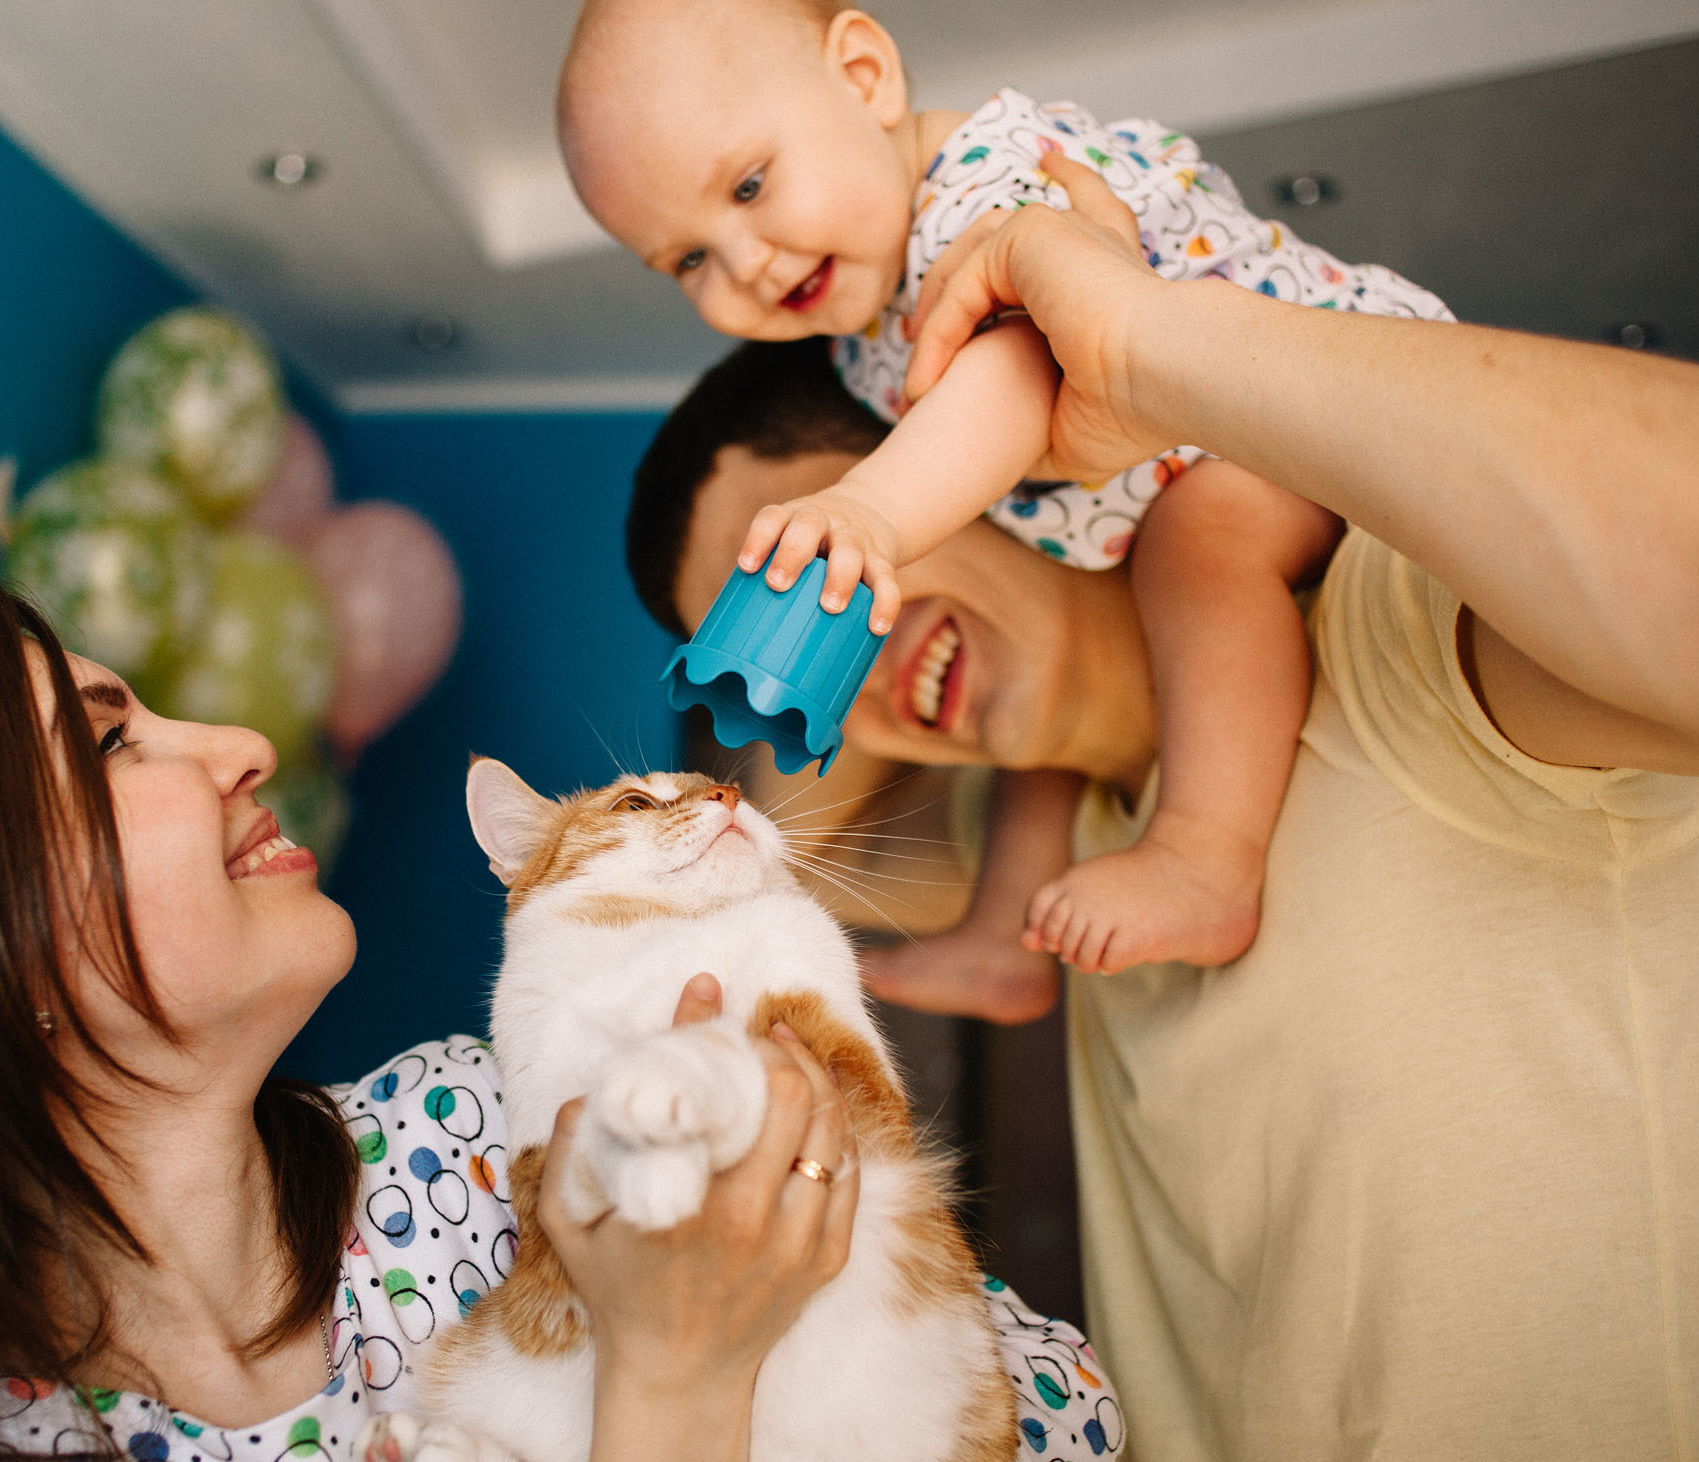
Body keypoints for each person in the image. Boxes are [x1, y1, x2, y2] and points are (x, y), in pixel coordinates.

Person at [626, 158, 1699, 1462]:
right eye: (780, 622)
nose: (840, 627)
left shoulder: (1405, 634)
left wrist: (1140, 345)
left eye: (831, 542)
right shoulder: (1106, 852)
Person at [0, 579, 1040, 1462]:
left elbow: (1019, 1430)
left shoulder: (472, 1129)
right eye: (110, 740)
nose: (247, 746)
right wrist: (678, 1373)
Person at [559, 0, 1454, 1014]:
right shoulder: (861, 334)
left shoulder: (985, 190)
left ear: (864, 75)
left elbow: (1026, 372)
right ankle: (1001, 934)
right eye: (689, 259)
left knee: (1195, 545)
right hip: (1159, 475)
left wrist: (872, 514)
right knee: (1047, 730)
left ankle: (1208, 851)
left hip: (1296, 417)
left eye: (751, 186)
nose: (746, 263)